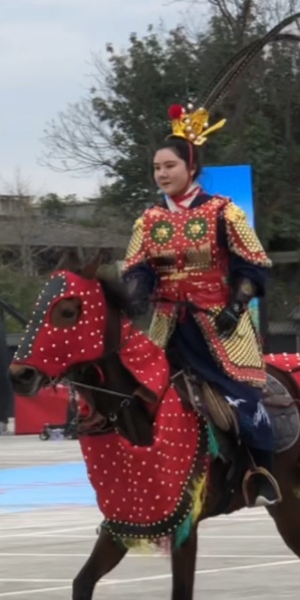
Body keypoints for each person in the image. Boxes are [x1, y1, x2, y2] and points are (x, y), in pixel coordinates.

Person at [123, 104, 278, 506]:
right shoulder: (148, 220)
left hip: (219, 325)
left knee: (239, 399)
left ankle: (258, 469)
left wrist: (236, 305)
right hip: (166, 325)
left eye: (169, 165)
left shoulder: (224, 211)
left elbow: (253, 266)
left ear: (191, 167)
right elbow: (139, 269)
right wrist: (134, 292)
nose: (162, 173)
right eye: (157, 167)